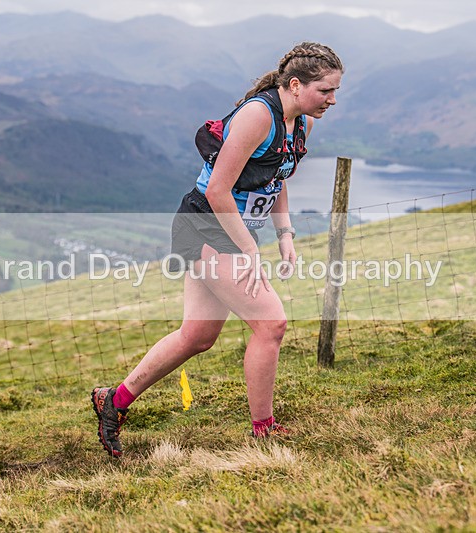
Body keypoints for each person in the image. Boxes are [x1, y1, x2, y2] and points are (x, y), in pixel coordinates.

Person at [91, 42, 344, 458]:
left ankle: (113, 401)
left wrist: (284, 235)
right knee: (271, 324)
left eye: (336, 91)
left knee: (197, 336)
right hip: (206, 225)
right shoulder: (258, 115)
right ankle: (264, 429)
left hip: (230, 230)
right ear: (296, 85)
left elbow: (275, 180)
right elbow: (216, 189)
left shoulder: (301, 123)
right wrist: (249, 250)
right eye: (326, 91)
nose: (332, 100)